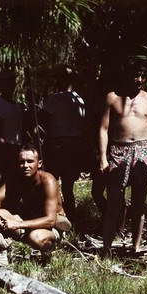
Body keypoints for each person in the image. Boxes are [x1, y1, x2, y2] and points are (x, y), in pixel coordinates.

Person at [99, 58, 147, 254]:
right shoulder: (112, 98)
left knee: (139, 204)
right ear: (127, 74)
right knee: (114, 204)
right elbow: (103, 129)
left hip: (143, 151)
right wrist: (103, 157)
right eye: (135, 75)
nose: (139, 79)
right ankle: (106, 248)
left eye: (143, 76)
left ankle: (135, 247)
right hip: (118, 151)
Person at [0, 144, 72, 267]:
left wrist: (17, 224)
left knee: (35, 237)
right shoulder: (16, 177)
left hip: (52, 226)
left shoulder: (48, 181)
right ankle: (2, 258)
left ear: (39, 164)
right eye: (22, 162)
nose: (25, 166)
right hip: (28, 220)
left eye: (30, 161)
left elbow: (51, 220)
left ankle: (47, 251)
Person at [40, 64, 86, 231]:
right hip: (76, 145)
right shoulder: (79, 99)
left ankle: (58, 216)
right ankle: (71, 219)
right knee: (68, 186)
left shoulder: (56, 99)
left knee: (52, 181)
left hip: (59, 144)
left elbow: (42, 120)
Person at [0, 69, 25, 193]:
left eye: (12, 82)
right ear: (1, 84)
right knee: (1, 184)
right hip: (5, 149)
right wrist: (5, 150)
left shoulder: (17, 106)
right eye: (7, 82)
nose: (11, 85)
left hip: (17, 148)